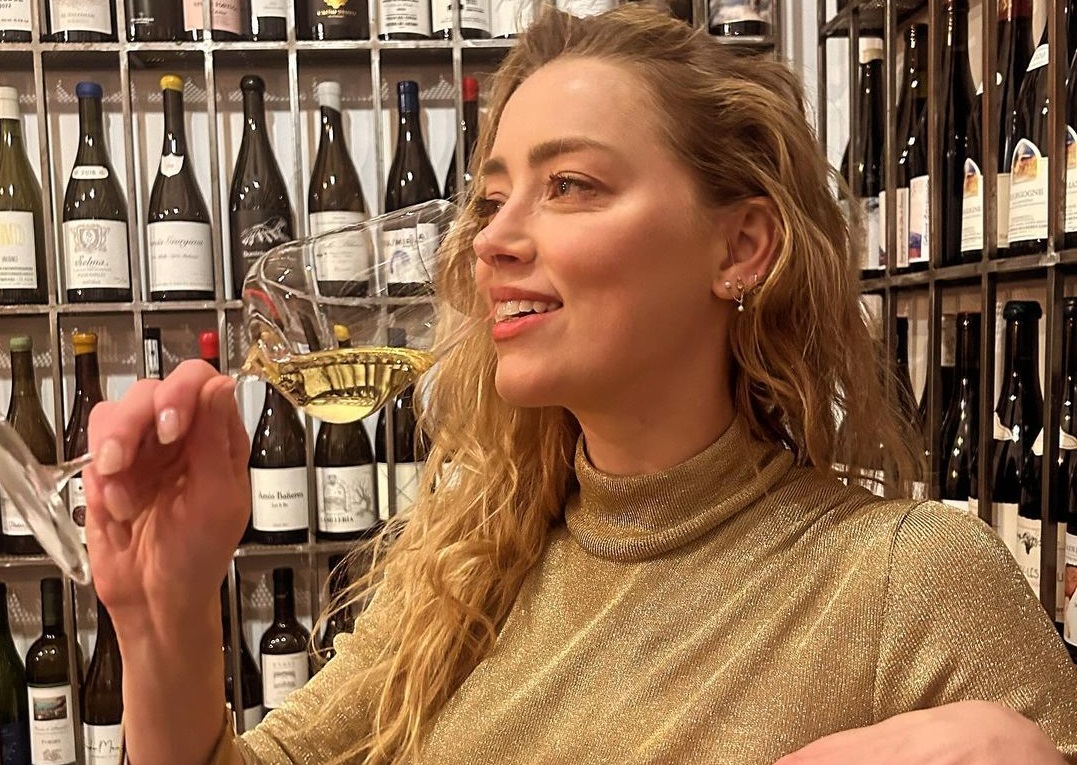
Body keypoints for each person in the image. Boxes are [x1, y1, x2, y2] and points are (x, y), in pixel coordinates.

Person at [83, 6, 1077, 765]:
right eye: (492, 199)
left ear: (741, 246)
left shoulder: (908, 579)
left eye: (569, 186)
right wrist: (163, 618)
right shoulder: (466, 565)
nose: (493, 242)